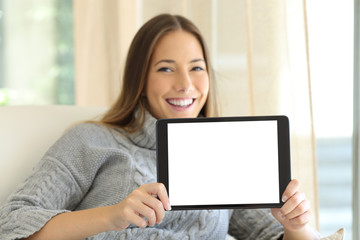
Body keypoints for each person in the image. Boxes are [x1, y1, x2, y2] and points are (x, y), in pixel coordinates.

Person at [0, 14, 320, 240]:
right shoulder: (90, 140)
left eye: (196, 68)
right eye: (166, 68)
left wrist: (296, 225)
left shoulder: (224, 153)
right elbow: (12, 225)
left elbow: (272, 235)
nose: (185, 84)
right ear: (139, 80)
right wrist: (113, 216)